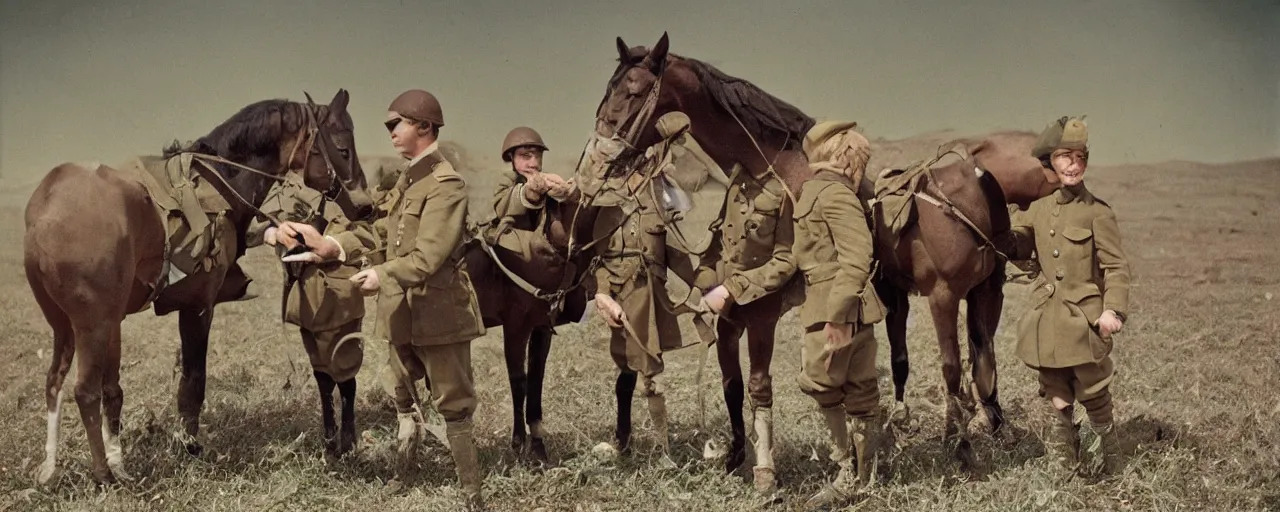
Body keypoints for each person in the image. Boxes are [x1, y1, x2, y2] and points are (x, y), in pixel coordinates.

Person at [276, 88, 487, 509]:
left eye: (397, 124)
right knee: (403, 396)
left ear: (424, 127)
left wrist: (382, 273)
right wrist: (332, 244)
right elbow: (379, 233)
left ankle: (471, 494)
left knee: (454, 404)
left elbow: (427, 256)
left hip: (439, 313)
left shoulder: (446, 185)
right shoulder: (408, 179)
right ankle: (405, 473)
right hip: (400, 312)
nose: (390, 131)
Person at [1008, 115, 1132, 477]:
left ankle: (1112, 462)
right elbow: (1019, 244)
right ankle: (1066, 464)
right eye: (1065, 156)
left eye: (1080, 157)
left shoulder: (1098, 212)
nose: (1074, 165)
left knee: (1093, 390)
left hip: (1084, 319)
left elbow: (1116, 267)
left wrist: (1114, 311)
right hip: (1046, 317)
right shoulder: (1037, 209)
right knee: (1054, 388)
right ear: (1050, 161)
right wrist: (1006, 236)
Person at [586, 111, 703, 458]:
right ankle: (623, 437)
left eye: (641, 164)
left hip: (653, 297)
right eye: (629, 165)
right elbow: (597, 258)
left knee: (652, 371)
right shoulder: (606, 207)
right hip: (622, 299)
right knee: (626, 367)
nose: (635, 172)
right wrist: (603, 294)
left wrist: (705, 286)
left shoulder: (659, 200)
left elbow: (676, 252)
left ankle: (662, 445)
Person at [791, 121, 890, 508]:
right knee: (846, 387)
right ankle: (858, 475)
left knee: (828, 384)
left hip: (838, 308)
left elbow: (856, 258)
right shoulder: (826, 191)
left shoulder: (833, 195)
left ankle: (853, 475)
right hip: (833, 303)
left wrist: (837, 315)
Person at [247, 172, 379, 457]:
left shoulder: (348, 179)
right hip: (302, 287)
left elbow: (370, 231)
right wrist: (273, 234)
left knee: (343, 364)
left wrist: (332, 244)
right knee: (319, 364)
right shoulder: (279, 182)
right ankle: (329, 429)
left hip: (339, 285)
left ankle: (348, 428)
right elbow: (250, 227)